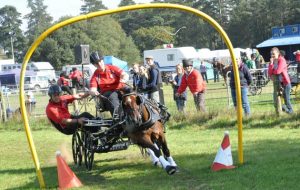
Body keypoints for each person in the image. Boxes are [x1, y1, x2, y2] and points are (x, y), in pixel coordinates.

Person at [89, 51, 129, 116]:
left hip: (121, 88)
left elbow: (124, 74)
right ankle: (118, 118)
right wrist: (93, 92)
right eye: (96, 63)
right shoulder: (95, 75)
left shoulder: (112, 68)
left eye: (100, 61)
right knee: (112, 97)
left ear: (103, 60)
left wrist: (124, 78)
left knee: (132, 93)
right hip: (108, 93)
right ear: (94, 65)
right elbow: (92, 89)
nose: (99, 64)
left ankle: (140, 113)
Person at [268, 47, 293, 114]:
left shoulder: (282, 60)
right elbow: (269, 73)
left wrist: (273, 72)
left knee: (286, 99)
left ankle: (291, 112)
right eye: (271, 54)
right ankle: (286, 111)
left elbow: (278, 71)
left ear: (278, 53)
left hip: (285, 83)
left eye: (273, 54)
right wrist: (271, 64)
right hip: (278, 83)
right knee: (276, 100)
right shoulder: (272, 61)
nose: (272, 55)